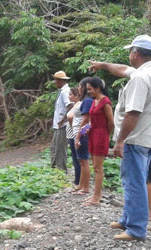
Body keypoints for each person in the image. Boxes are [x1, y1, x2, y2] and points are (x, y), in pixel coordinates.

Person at [89, 34, 151, 241]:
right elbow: (123, 69)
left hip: (136, 139)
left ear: (135, 53)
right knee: (135, 180)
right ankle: (127, 219)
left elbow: (133, 113)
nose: (129, 56)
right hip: (147, 139)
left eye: (130, 52)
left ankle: (135, 229)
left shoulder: (141, 79)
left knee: (134, 182)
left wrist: (120, 140)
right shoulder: (144, 72)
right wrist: (102, 65)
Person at [82, 77, 114, 206]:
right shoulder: (94, 101)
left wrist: (107, 135)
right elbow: (91, 120)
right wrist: (86, 130)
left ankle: (96, 197)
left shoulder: (105, 102)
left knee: (98, 168)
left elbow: (111, 122)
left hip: (101, 135)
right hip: (93, 134)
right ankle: (96, 194)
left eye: (90, 89)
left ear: (98, 88)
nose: (88, 92)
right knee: (94, 165)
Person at [73, 77, 94, 195]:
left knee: (84, 161)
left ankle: (85, 188)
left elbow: (86, 120)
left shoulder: (87, 101)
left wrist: (78, 136)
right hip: (82, 132)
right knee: (81, 160)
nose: (79, 89)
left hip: (83, 133)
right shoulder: (88, 100)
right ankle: (81, 185)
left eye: (80, 86)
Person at [51, 71, 73, 172]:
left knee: (60, 148)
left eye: (56, 80)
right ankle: (55, 168)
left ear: (60, 81)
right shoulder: (62, 91)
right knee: (55, 147)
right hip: (58, 125)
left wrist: (63, 119)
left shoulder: (65, 92)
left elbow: (70, 105)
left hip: (62, 125)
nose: (55, 82)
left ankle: (62, 170)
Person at [66, 87, 81, 187]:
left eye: (71, 94)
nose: (69, 96)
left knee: (76, 158)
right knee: (76, 157)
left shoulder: (78, 104)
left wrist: (72, 127)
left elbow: (70, 117)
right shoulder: (76, 104)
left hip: (74, 134)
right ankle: (78, 179)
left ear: (76, 96)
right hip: (73, 134)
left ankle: (78, 180)